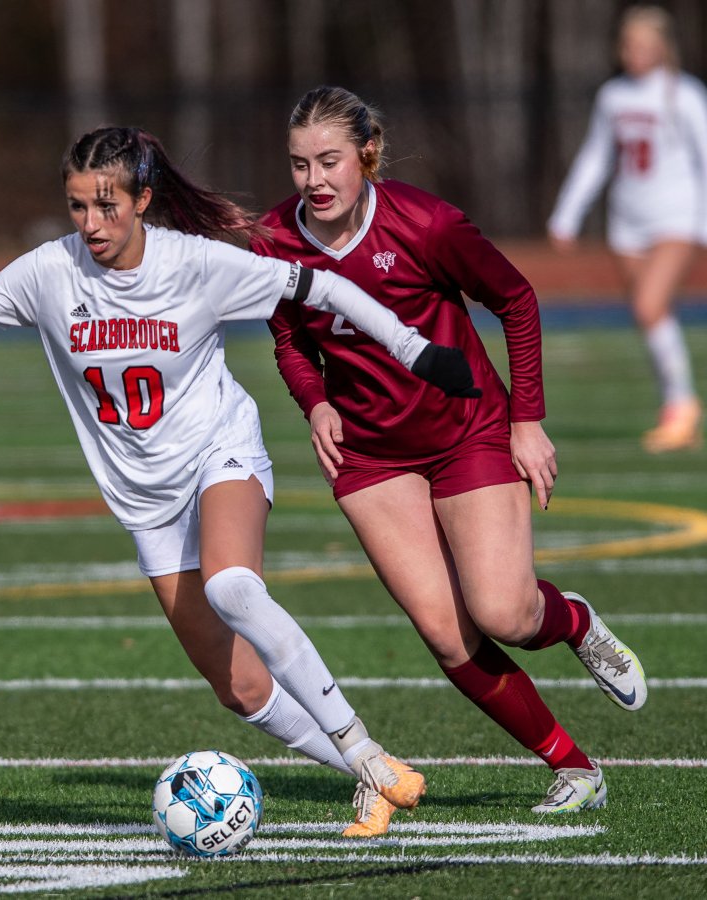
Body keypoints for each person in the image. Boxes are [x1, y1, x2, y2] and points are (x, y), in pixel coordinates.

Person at [0, 125, 482, 836]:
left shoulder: (195, 263)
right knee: (239, 688)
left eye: (107, 206)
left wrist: (414, 350)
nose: (91, 224)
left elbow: (324, 287)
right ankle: (370, 772)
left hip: (220, 451)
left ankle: (363, 749)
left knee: (232, 586)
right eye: (78, 206)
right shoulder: (48, 272)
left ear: (143, 199)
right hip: (143, 500)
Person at [253, 85, 649, 816]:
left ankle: (575, 623)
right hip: (371, 456)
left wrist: (527, 420)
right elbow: (289, 340)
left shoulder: (426, 223)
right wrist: (316, 403)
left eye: (330, 161)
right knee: (445, 633)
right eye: (300, 164)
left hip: (467, 431)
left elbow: (516, 299)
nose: (314, 180)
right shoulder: (274, 239)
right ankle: (574, 769)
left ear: (367, 154)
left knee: (505, 614)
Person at [548, 4, 707, 452]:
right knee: (651, 315)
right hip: (627, 222)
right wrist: (567, 213)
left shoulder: (684, 94)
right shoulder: (614, 96)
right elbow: (596, 156)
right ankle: (677, 407)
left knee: (649, 305)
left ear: (661, 47)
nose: (633, 53)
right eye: (628, 44)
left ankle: (681, 407)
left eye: (642, 44)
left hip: (676, 216)